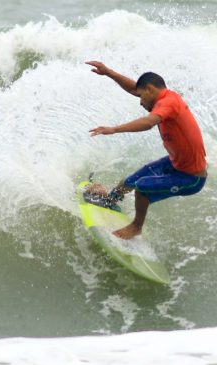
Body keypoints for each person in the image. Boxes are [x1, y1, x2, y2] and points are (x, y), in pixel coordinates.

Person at [86, 60, 207, 240]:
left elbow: (149, 122)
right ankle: (110, 201)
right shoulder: (161, 99)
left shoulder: (169, 102)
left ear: (150, 90)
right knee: (130, 181)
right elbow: (134, 88)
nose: (140, 101)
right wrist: (109, 72)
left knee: (142, 187)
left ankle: (136, 227)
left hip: (191, 178)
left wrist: (113, 129)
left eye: (141, 96)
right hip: (175, 163)